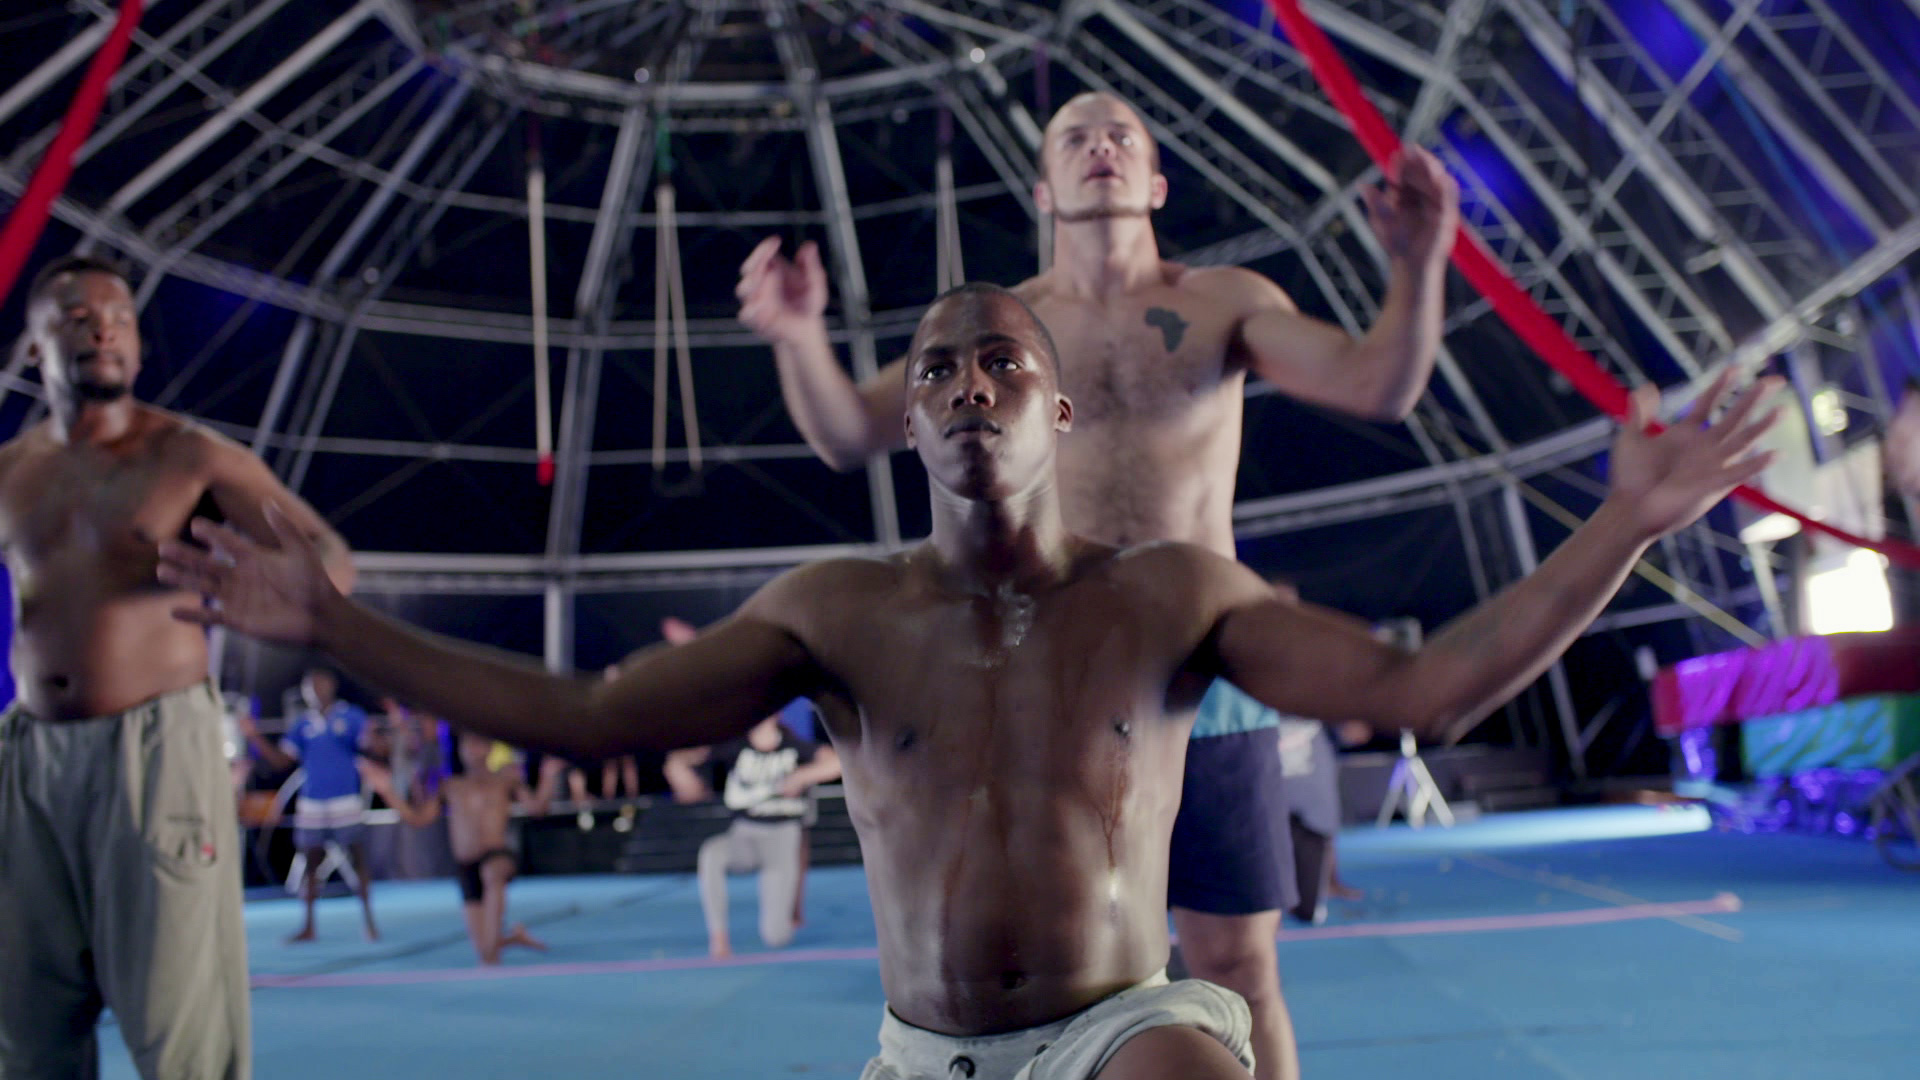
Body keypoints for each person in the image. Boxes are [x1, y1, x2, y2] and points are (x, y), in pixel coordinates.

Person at [161, 284, 1778, 1079]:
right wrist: (334, 625)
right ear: (910, 420)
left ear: (1060, 410)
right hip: (917, 1052)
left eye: (1002, 359)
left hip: (1122, 1029)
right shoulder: (836, 611)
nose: (965, 383)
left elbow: (1420, 690)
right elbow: (585, 721)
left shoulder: (1170, 598)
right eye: (932, 365)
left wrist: (1625, 526)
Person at [738, 90, 1459, 1080]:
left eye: (1123, 133)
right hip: (1051, 672)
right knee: (1057, 978)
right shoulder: (1014, 336)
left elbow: (1380, 383)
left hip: (1203, 667)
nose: (1102, 146)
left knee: (1240, 966)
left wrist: (1417, 269)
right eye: (1075, 137)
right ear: (1043, 187)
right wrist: (796, 337)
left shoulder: (1227, 303)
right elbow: (847, 431)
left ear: (1156, 179)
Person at [0, 253, 353, 1079]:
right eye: (78, 317)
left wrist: (279, 587)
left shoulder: (188, 455)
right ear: (34, 345)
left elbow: (330, 554)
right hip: (29, 760)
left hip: (156, 753)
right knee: (26, 1029)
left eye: (118, 316)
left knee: (183, 1029)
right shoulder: (12, 471)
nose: (103, 329)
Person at [362, 731, 566, 964]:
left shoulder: (505, 780)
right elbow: (418, 819)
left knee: (493, 873)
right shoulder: (452, 787)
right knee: (485, 953)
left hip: (497, 856)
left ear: (490, 749)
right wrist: (388, 791)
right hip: (466, 865)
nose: (472, 750)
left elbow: (537, 809)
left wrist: (548, 776)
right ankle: (514, 938)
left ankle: (500, 942)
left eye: (478, 744)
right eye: (467, 745)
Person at [666, 713, 843, 957]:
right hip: (744, 835)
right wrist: (678, 770)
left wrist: (801, 776)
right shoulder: (735, 746)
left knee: (776, 937)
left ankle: (785, 911)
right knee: (711, 852)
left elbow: (835, 762)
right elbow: (684, 759)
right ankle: (718, 937)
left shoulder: (792, 747)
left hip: (782, 838)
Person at [240, 667, 381, 941]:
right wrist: (253, 735)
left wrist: (379, 737)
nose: (314, 691)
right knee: (309, 865)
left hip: (345, 800)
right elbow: (282, 761)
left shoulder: (351, 716)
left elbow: (373, 749)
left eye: (318, 684)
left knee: (357, 861)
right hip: (312, 803)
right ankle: (309, 925)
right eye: (308, 686)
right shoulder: (302, 724)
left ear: (331, 685)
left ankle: (369, 922)